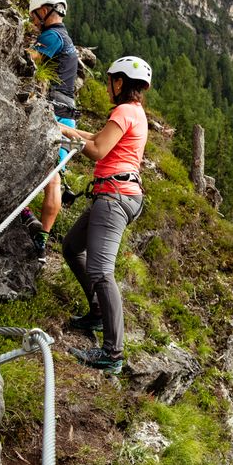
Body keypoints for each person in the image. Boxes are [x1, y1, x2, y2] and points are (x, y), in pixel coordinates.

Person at [58, 56, 151, 374]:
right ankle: (97, 312)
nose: (108, 85)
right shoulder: (135, 113)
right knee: (71, 247)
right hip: (117, 195)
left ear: (120, 82)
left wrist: (64, 137)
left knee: (100, 271)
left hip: (114, 198)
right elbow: (98, 140)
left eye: (111, 79)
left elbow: (97, 150)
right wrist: (64, 131)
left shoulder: (124, 111)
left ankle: (113, 353)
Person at [22, 0, 81, 259]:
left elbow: (29, 60)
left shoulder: (52, 36)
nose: (34, 21)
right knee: (53, 176)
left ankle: (29, 221)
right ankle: (42, 237)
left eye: (35, 16)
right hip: (67, 110)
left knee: (48, 176)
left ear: (45, 10)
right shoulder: (66, 38)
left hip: (53, 111)